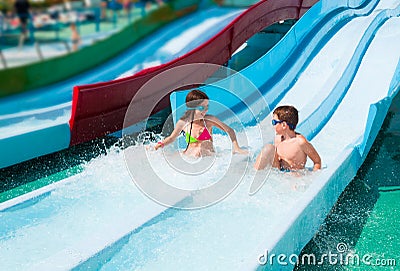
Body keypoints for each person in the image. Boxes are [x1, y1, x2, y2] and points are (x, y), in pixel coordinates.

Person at [155, 89, 248, 157]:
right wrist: (160, 144)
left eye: (207, 107)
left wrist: (237, 148)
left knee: (201, 148)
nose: (205, 110)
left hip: (208, 158)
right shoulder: (183, 122)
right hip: (190, 157)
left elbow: (230, 130)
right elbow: (171, 138)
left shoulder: (209, 120)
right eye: (202, 108)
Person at [254, 105, 321, 171]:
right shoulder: (278, 139)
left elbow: (317, 161)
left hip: (293, 177)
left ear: (283, 125)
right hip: (279, 173)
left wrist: (311, 177)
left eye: (274, 122)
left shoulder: (300, 142)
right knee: (268, 149)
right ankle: (254, 174)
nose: (273, 125)